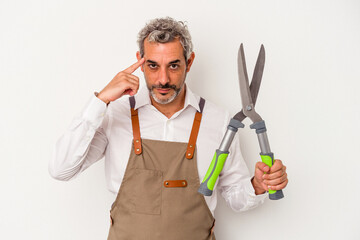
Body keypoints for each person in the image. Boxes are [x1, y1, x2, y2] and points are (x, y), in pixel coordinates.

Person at [49, 17, 288, 240]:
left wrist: (257, 186)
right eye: (153, 66)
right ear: (140, 61)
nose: (163, 79)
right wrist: (100, 101)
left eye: (173, 66)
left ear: (189, 62)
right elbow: (61, 169)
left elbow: (236, 197)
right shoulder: (115, 114)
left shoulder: (218, 120)